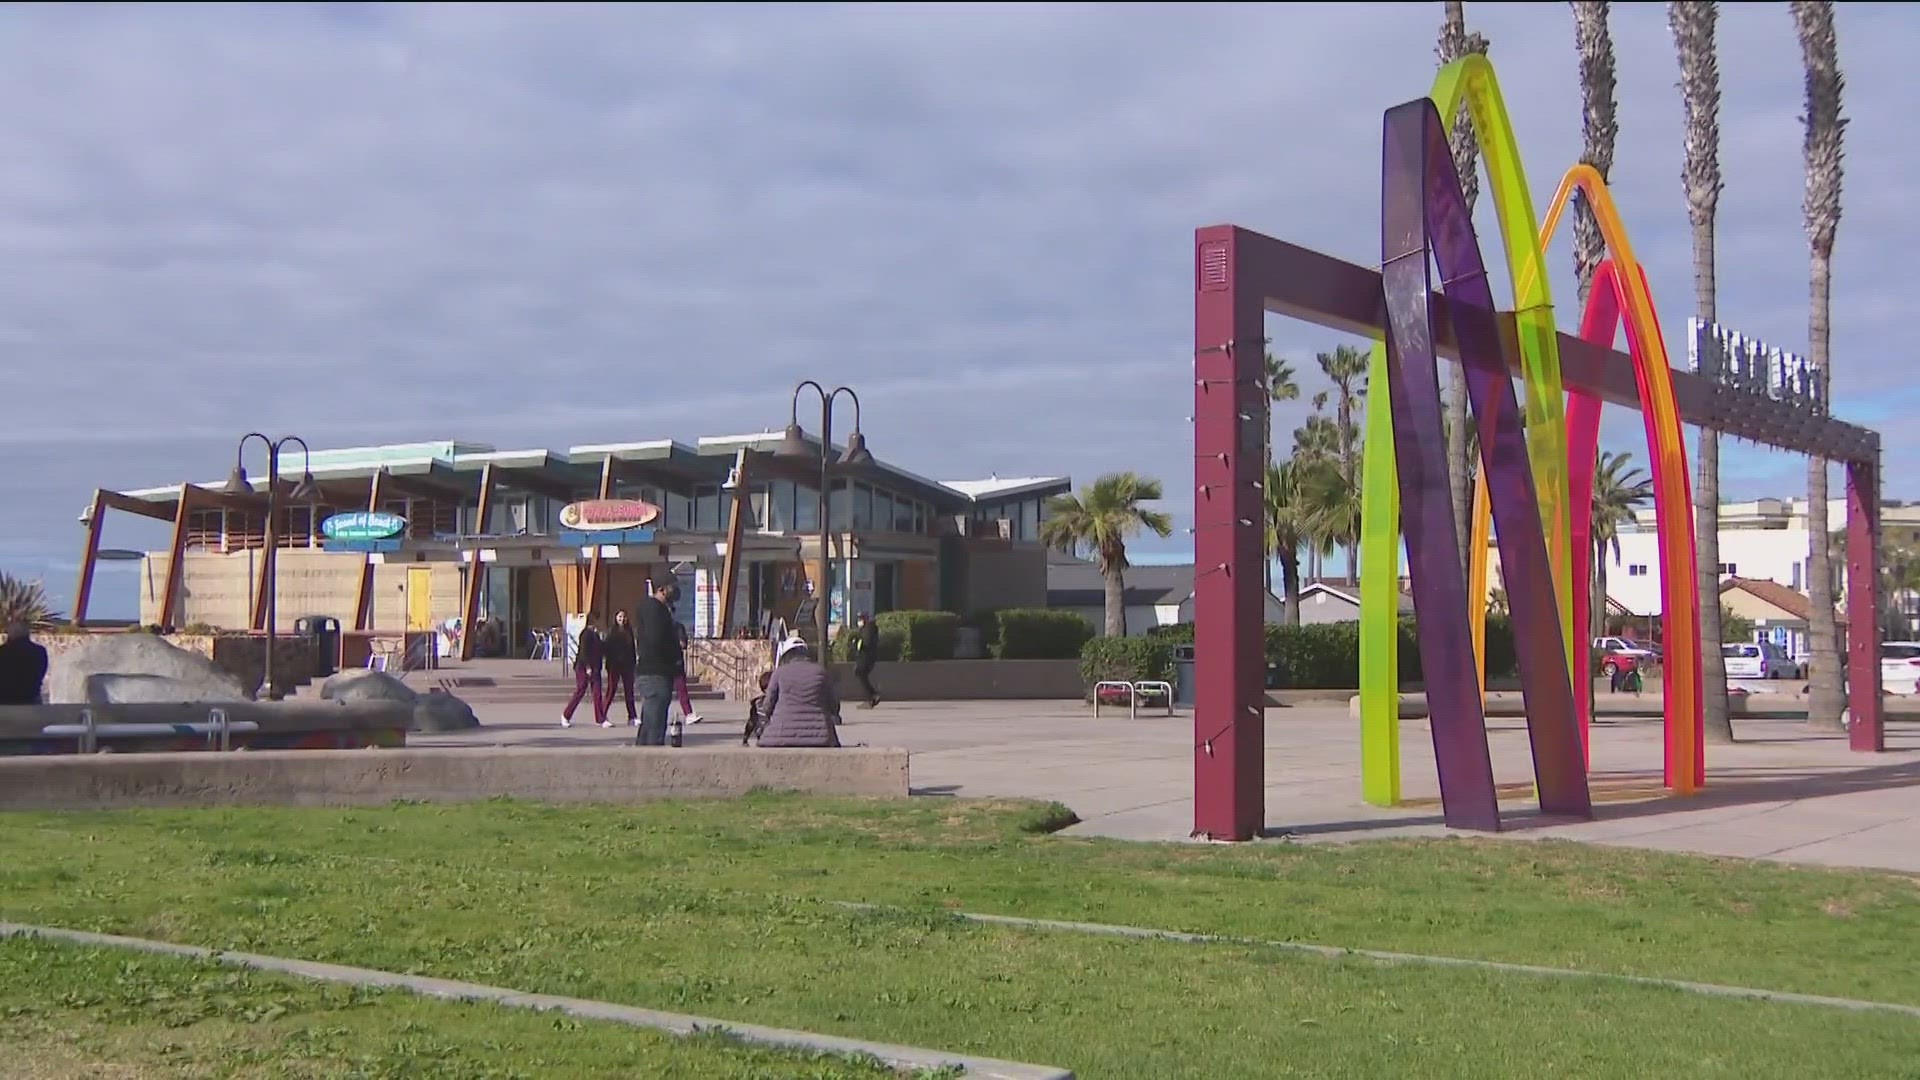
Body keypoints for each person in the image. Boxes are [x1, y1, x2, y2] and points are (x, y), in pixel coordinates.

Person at [755, 636, 842, 748]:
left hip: (780, 736)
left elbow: (767, 707)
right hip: (820, 737)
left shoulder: (779, 673)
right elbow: (834, 706)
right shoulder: (821, 672)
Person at [631, 580, 682, 746]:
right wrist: (673, 653)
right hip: (655, 672)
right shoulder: (655, 609)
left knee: (650, 723)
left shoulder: (657, 609)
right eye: (671, 587)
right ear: (661, 589)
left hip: (656, 672)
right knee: (655, 726)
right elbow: (656, 639)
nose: (675, 591)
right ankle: (651, 762)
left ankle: (643, 757)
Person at [561, 617, 609, 728]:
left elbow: (601, 650)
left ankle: (600, 718)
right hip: (583, 666)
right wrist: (587, 666)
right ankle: (566, 715)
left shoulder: (596, 635)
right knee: (580, 690)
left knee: (597, 693)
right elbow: (583, 651)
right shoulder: (586, 634)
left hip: (595, 667)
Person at [602, 609, 639, 725]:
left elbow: (632, 648)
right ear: (615, 618)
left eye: (624, 617)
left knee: (629, 691)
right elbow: (607, 649)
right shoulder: (612, 632)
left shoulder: (629, 631)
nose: (622, 619)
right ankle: (602, 716)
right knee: (611, 690)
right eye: (619, 617)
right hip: (615, 665)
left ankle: (632, 716)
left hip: (628, 665)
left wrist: (634, 662)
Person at [0, 621, 50, 706]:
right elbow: (41, 672)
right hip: (32, 698)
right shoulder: (39, 651)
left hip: (5, 700)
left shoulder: (4, 651)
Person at [672, 622, 704, 725]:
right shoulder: (658, 625)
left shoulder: (678, 626)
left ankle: (689, 714)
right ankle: (657, 716)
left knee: (682, 690)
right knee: (662, 693)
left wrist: (679, 642)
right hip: (662, 663)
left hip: (676, 662)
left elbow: (683, 644)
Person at [851, 612, 881, 709]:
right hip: (866, 657)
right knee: (861, 675)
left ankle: (872, 697)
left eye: (860, 619)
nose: (859, 621)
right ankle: (872, 696)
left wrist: (856, 643)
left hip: (866, 657)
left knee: (860, 674)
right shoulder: (866, 629)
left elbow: (864, 643)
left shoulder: (868, 629)